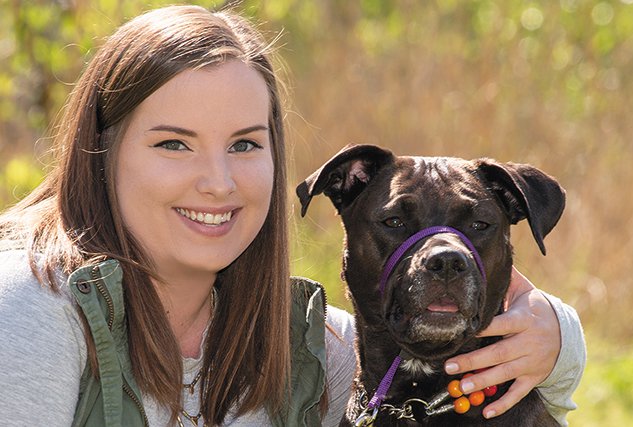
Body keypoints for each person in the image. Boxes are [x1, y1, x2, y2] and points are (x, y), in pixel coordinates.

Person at [0, 4, 584, 427]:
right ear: (100, 154)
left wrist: (556, 337)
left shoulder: (305, 345)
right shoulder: (31, 312)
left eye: (245, 144)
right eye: (174, 144)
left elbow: (419, 370)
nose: (218, 181)